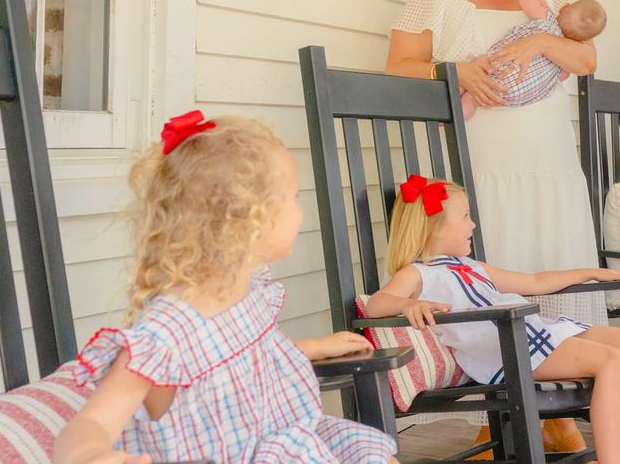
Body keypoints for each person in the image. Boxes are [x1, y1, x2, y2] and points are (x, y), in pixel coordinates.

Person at [385, 0, 601, 451]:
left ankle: (557, 412)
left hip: (550, 162)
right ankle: (500, 402)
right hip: (485, 164)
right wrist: (452, 71)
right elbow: (396, 67)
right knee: (496, 268)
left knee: (551, 263)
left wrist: (539, 42)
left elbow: (587, 59)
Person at [53, 112, 397, 464]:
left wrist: (314, 347)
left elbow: (245, 352)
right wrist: (89, 453)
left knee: (366, 449)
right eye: (292, 197)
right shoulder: (165, 335)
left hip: (288, 441)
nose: (300, 212)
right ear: (249, 221)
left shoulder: (246, 291)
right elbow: (94, 419)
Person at [366, 175, 620, 464]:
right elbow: (377, 304)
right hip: (507, 350)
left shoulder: (471, 266)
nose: (473, 223)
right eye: (465, 217)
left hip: (532, 334)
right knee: (610, 360)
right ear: (435, 228)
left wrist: (588, 272)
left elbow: (535, 282)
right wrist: (408, 304)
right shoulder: (418, 273)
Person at [459, 0, 606, 119]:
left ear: (565, 7)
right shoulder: (564, 57)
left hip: (498, 67)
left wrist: (545, 6)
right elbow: (562, 76)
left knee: (476, 74)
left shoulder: (547, 19)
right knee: (473, 99)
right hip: (515, 92)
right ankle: (460, 112)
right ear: (584, 39)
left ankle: (445, 111)